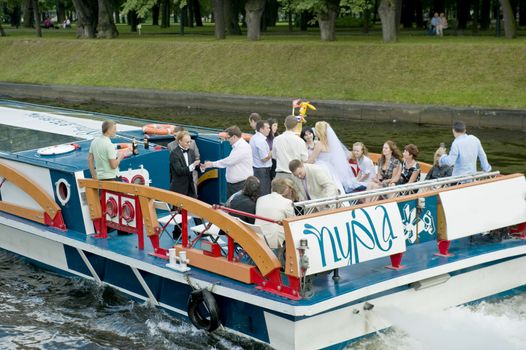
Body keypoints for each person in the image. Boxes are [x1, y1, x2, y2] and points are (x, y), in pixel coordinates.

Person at [306, 121, 358, 193]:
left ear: (319, 131)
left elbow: (311, 160)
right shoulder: (332, 143)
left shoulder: (319, 144)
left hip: (322, 168)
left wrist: (302, 163)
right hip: (332, 168)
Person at [203, 126, 253, 198]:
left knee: (236, 206)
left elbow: (229, 161)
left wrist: (211, 164)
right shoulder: (238, 146)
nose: (227, 140)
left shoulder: (242, 147)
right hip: (236, 185)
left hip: (239, 185)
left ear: (234, 137)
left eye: (228, 138)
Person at [254, 178, 296, 249]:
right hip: (274, 239)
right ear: (285, 190)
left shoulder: (260, 199)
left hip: (258, 237)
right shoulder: (287, 202)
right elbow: (293, 221)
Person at [271, 115, 308, 183]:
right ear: (296, 126)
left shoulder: (276, 139)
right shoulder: (300, 141)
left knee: (278, 193)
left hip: (280, 175)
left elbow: (274, 157)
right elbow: (305, 159)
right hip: (296, 175)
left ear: (285, 124)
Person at [167, 126, 200, 194]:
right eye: (187, 142)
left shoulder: (190, 151)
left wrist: (201, 167)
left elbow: (196, 160)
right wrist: (193, 165)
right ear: (180, 141)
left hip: (190, 184)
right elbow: (178, 170)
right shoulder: (173, 152)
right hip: (180, 185)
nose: (189, 144)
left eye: (190, 142)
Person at [249, 120, 272, 195]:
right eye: (267, 128)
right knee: (264, 192)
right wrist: (272, 152)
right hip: (263, 171)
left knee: (258, 192)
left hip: (256, 169)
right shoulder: (261, 141)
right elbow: (264, 159)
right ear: (261, 129)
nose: (269, 130)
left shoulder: (254, 138)